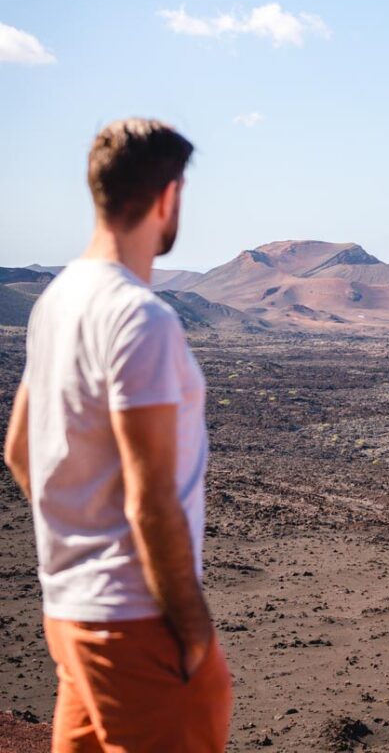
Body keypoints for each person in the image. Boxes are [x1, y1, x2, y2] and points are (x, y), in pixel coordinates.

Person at [4, 117, 232, 753]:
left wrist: (79, 537)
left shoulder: (56, 301)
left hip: (69, 612)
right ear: (168, 197)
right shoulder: (140, 318)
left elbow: (20, 449)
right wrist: (192, 632)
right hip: (136, 623)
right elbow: (150, 499)